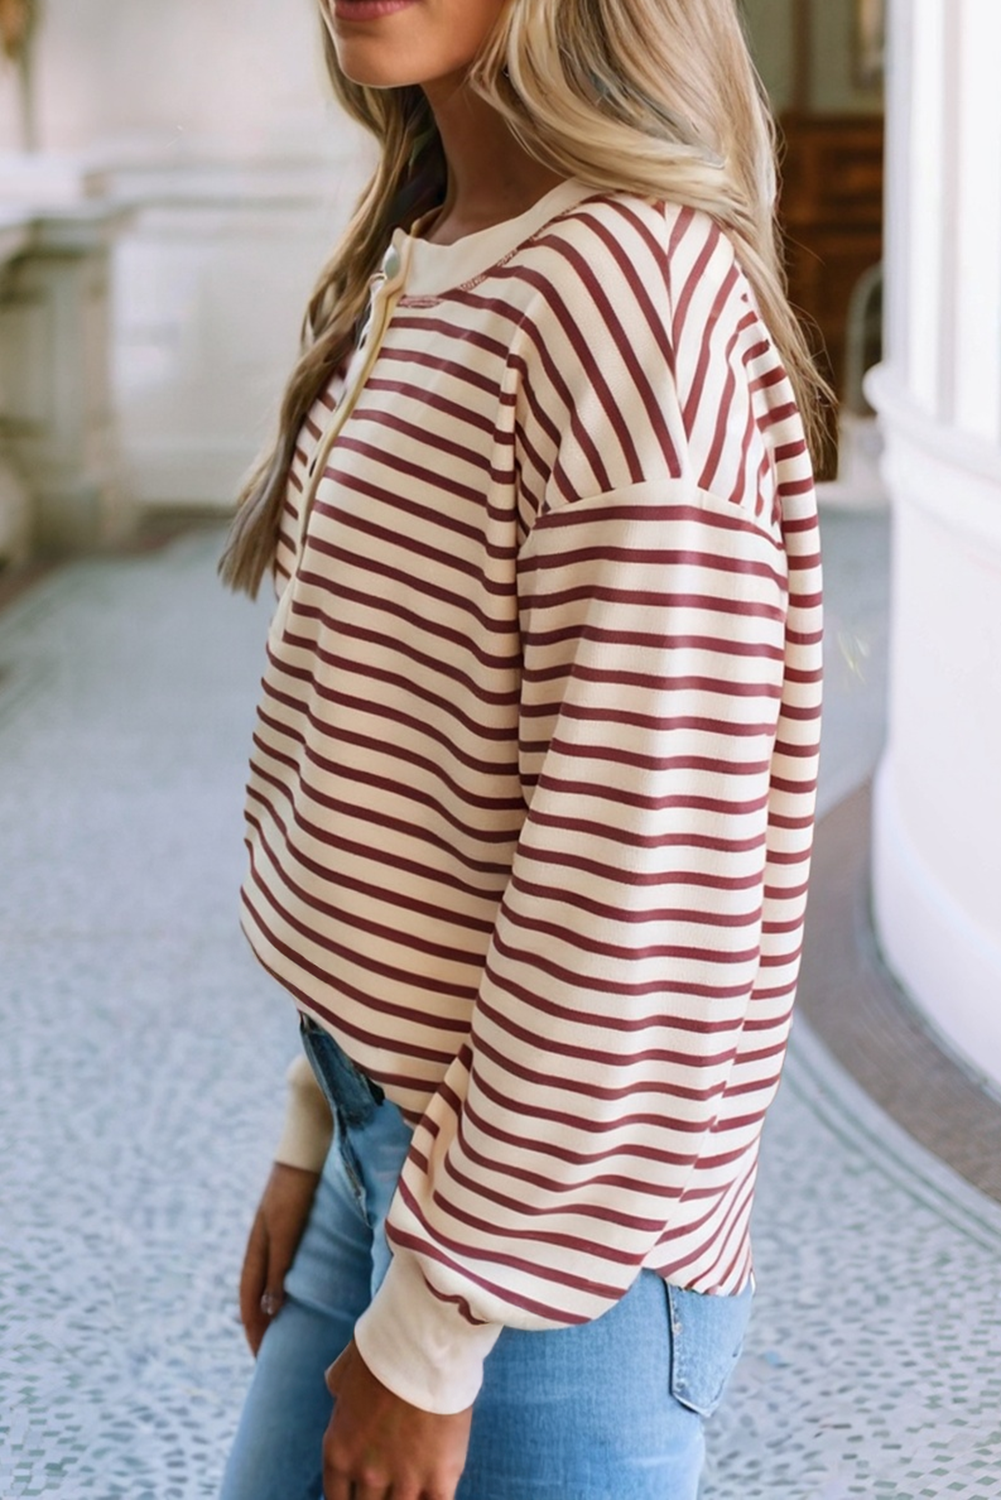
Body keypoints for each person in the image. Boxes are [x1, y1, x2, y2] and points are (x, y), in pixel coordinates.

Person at [217, 1, 825, 1496]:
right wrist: (317, 1121)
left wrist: (435, 1333)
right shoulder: (435, 250)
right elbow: (405, 792)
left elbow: (639, 896)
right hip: (402, 1159)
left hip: (553, 1263)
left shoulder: (634, 305)